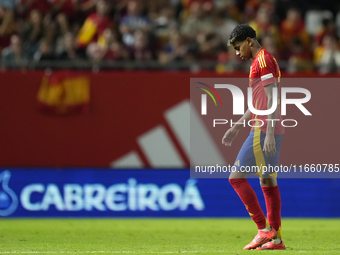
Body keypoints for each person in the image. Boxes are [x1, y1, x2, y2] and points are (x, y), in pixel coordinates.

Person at [222, 24, 285, 250]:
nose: (237, 53)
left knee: (236, 178)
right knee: (267, 181)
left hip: (263, 129)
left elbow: (272, 99)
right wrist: (237, 126)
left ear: (249, 41)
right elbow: (258, 102)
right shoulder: (259, 61)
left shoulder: (263, 60)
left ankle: (263, 229)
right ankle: (276, 239)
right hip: (266, 128)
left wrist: (268, 132)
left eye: (238, 48)